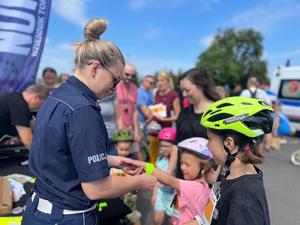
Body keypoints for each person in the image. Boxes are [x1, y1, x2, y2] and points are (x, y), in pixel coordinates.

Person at [21, 18, 157, 225]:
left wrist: (114, 160)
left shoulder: (59, 94)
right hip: (67, 216)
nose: (115, 88)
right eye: (115, 80)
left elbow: (61, 152)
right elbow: (96, 189)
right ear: (95, 67)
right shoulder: (84, 109)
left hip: (39, 209)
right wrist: (140, 181)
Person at [185, 96, 274, 225]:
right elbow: (211, 218)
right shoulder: (231, 174)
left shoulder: (244, 200)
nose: (207, 145)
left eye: (210, 139)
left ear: (229, 144)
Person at [125, 137, 217, 225]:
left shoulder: (193, 187)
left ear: (204, 168)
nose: (182, 167)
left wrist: (144, 165)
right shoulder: (204, 187)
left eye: (187, 165)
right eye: (181, 163)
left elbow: (167, 179)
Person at [174, 68, 220, 177]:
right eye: (182, 90)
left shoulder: (217, 112)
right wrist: (171, 171)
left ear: (200, 86)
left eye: (187, 90)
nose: (184, 94)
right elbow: (175, 145)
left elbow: (223, 147)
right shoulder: (184, 113)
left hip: (207, 176)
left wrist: (215, 174)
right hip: (183, 174)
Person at [0, 84, 50, 150]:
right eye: (42, 104)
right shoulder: (19, 105)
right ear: (36, 97)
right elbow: (28, 141)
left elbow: (33, 125)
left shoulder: (14, 98)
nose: (40, 107)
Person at [111, 129, 141, 225]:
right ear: (116, 146)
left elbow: (140, 173)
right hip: (115, 193)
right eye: (121, 149)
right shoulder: (112, 160)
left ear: (131, 147)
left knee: (131, 214)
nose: (124, 152)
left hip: (129, 193)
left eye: (127, 150)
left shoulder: (133, 160)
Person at [152, 127, 177, 225]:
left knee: (173, 221)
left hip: (173, 195)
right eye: (162, 146)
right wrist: (154, 193)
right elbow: (156, 179)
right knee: (157, 220)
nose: (163, 149)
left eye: (167, 146)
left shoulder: (178, 164)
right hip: (160, 193)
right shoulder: (160, 160)